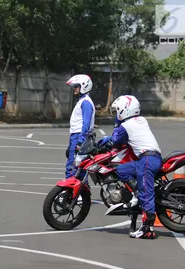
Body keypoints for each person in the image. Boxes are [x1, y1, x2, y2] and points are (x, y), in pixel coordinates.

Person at [97, 95, 162, 239]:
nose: (116, 114)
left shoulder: (126, 126)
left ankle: (147, 228)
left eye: (117, 111)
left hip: (147, 159)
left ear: (125, 110)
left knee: (146, 192)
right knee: (121, 170)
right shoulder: (141, 120)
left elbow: (116, 141)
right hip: (149, 158)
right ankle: (137, 194)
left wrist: (107, 139)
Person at [65, 74, 95, 179]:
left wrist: (80, 142)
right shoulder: (82, 101)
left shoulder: (86, 102)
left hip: (79, 136)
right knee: (77, 168)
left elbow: (86, 124)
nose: (74, 88)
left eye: (76, 86)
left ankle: (75, 194)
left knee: (73, 168)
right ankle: (80, 194)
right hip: (76, 136)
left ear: (83, 86)